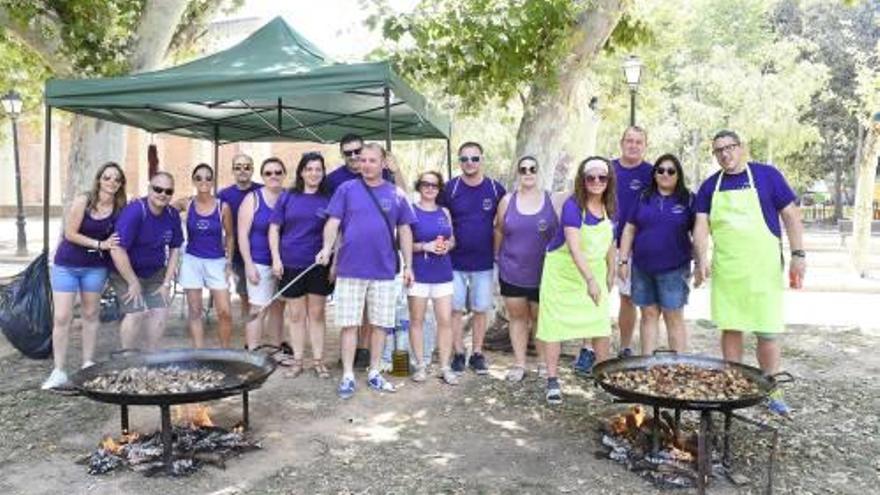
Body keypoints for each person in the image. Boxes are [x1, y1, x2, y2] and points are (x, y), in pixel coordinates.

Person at [693, 130, 805, 416]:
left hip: (763, 269)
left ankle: (771, 387)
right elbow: (701, 226)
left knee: (767, 331)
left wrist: (798, 254)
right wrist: (701, 257)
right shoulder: (709, 187)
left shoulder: (767, 176)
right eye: (719, 150)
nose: (725, 154)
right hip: (728, 270)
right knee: (731, 327)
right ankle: (734, 385)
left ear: (741, 148)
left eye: (730, 148)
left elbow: (791, 215)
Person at [316, 143, 415, 399]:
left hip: (384, 270)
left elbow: (405, 230)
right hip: (350, 268)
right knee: (349, 324)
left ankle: (374, 372)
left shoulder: (396, 194)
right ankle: (348, 375)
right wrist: (327, 248)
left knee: (380, 324)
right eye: (363, 160)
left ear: (384, 163)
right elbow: (333, 223)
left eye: (372, 160)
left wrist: (409, 266)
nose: (366, 165)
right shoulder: (346, 189)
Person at [538, 157, 616, 405]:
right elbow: (574, 248)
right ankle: (552, 380)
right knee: (553, 325)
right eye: (590, 177)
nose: (596, 182)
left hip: (593, 269)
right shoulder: (573, 206)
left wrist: (612, 269)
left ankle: (603, 379)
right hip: (562, 272)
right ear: (583, 181)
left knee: (600, 325)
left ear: (608, 180)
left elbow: (611, 242)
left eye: (601, 178)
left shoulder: (612, 206)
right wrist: (591, 280)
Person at [42, 162, 126, 389]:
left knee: (91, 313)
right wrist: (100, 244)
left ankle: (87, 363)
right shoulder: (84, 201)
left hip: (95, 268)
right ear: (99, 179)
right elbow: (70, 233)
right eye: (107, 177)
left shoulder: (119, 208)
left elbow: (121, 238)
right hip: (67, 265)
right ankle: (58, 370)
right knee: (62, 317)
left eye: (116, 179)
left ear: (120, 184)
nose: (111, 182)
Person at [574, 126, 652, 372]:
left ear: (645, 145)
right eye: (629, 140)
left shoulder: (652, 173)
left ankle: (625, 348)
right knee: (594, 296)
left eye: (639, 142)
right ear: (621, 142)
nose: (633, 145)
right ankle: (587, 349)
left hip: (635, 246)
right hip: (600, 242)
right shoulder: (605, 170)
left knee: (627, 299)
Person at [439, 141, 506, 375]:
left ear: (482, 159)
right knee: (454, 310)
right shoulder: (450, 188)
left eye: (474, 158)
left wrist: (500, 254)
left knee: (480, 309)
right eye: (465, 159)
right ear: (459, 161)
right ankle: (458, 352)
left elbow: (503, 224)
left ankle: (477, 353)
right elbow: (439, 218)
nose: (470, 163)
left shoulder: (496, 189)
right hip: (454, 261)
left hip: (484, 262)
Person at [618, 154, 694, 355]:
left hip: (674, 269)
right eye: (660, 170)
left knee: (673, 315)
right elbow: (629, 229)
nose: (665, 174)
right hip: (642, 268)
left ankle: (678, 367)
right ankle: (647, 363)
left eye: (671, 171)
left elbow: (700, 232)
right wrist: (623, 260)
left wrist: (702, 260)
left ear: (678, 175)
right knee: (648, 314)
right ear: (654, 174)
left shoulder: (688, 199)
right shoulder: (643, 197)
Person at [269, 152, 334, 378]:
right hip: (290, 264)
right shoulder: (288, 196)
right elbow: (274, 229)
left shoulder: (329, 199)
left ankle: (318, 361)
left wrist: (328, 252)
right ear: (301, 172)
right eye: (309, 169)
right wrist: (276, 259)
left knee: (316, 314)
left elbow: (336, 230)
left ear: (323, 172)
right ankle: (297, 361)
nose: (314, 173)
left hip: (318, 265)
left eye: (318, 169)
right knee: (296, 316)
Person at [493, 156, 557, 382]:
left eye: (532, 168)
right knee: (518, 317)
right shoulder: (507, 201)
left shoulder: (552, 200)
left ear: (538, 172)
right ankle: (519, 363)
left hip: (544, 274)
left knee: (541, 319)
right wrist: (497, 257)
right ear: (518, 173)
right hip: (512, 271)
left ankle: (542, 362)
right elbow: (499, 230)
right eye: (523, 169)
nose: (528, 172)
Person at [109, 171, 183, 350]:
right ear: (149, 189)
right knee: (137, 312)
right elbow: (117, 249)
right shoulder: (135, 212)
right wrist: (132, 281)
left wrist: (166, 283)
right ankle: (127, 355)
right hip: (125, 271)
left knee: (160, 311)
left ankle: (151, 355)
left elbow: (175, 248)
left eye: (168, 191)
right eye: (158, 189)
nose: (163, 195)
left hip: (155, 272)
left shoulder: (172, 215)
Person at [173, 164, 234, 348]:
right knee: (195, 310)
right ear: (193, 181)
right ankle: (198, 352)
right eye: (199, 178)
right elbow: (163, 209)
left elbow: (230, 236)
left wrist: (229, 262)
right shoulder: (187, 203)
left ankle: (224, 352)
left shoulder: (222, 207)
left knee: (224, 311)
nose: (204, 181)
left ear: (213, 181)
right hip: (192, 260)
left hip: (216, 261)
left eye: (208, 178)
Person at [408, 171, 457, 385]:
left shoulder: (444, 211)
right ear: (419, 186)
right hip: (418, 274)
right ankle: (420, 365)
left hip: (443, 274)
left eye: (434, 185)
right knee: (417, 320)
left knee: (445, 321)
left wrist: (448, 245)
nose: (430, 188)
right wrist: (423, 246)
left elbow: (452, 238)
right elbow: (403, 243)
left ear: (439, 189)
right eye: (425, 184)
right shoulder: (410, 211)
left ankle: (445, 366)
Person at [238, 158, 288, 355]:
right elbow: (242, 235)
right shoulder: (253, 199)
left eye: (277, 172)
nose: (273, 176)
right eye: (268, 173)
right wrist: (248, 264)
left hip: (284, 264)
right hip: (259, 262)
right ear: (262, 176)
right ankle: (253, 351)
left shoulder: (289, 197)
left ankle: (276, 350)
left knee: (278, 309)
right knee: (257, 309)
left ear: (284, 174)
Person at [218, 153, 263, 319]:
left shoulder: (261, 191)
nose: (242, 170)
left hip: (261, 251)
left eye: (246, 167)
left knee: (264, 296)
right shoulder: (224, 195)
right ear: (233, 171)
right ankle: (248, 329)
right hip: (237, 253)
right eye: (238, 167)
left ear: (252, 170)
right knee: (245, 294)